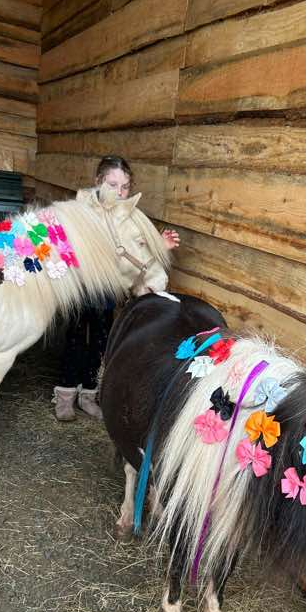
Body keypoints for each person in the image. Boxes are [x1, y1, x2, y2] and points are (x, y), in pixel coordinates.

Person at [52, 155, 180, 421]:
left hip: (108, 291)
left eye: (125, 187)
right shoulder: (81, 211)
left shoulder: (129, 216)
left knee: (100, 342)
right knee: (76, 339)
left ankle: (89, 395)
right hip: (82, 287)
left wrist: (159, 244)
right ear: (98, 181)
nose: (119, 192)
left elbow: (135, 250)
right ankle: (64, 396)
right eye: (112, 185)